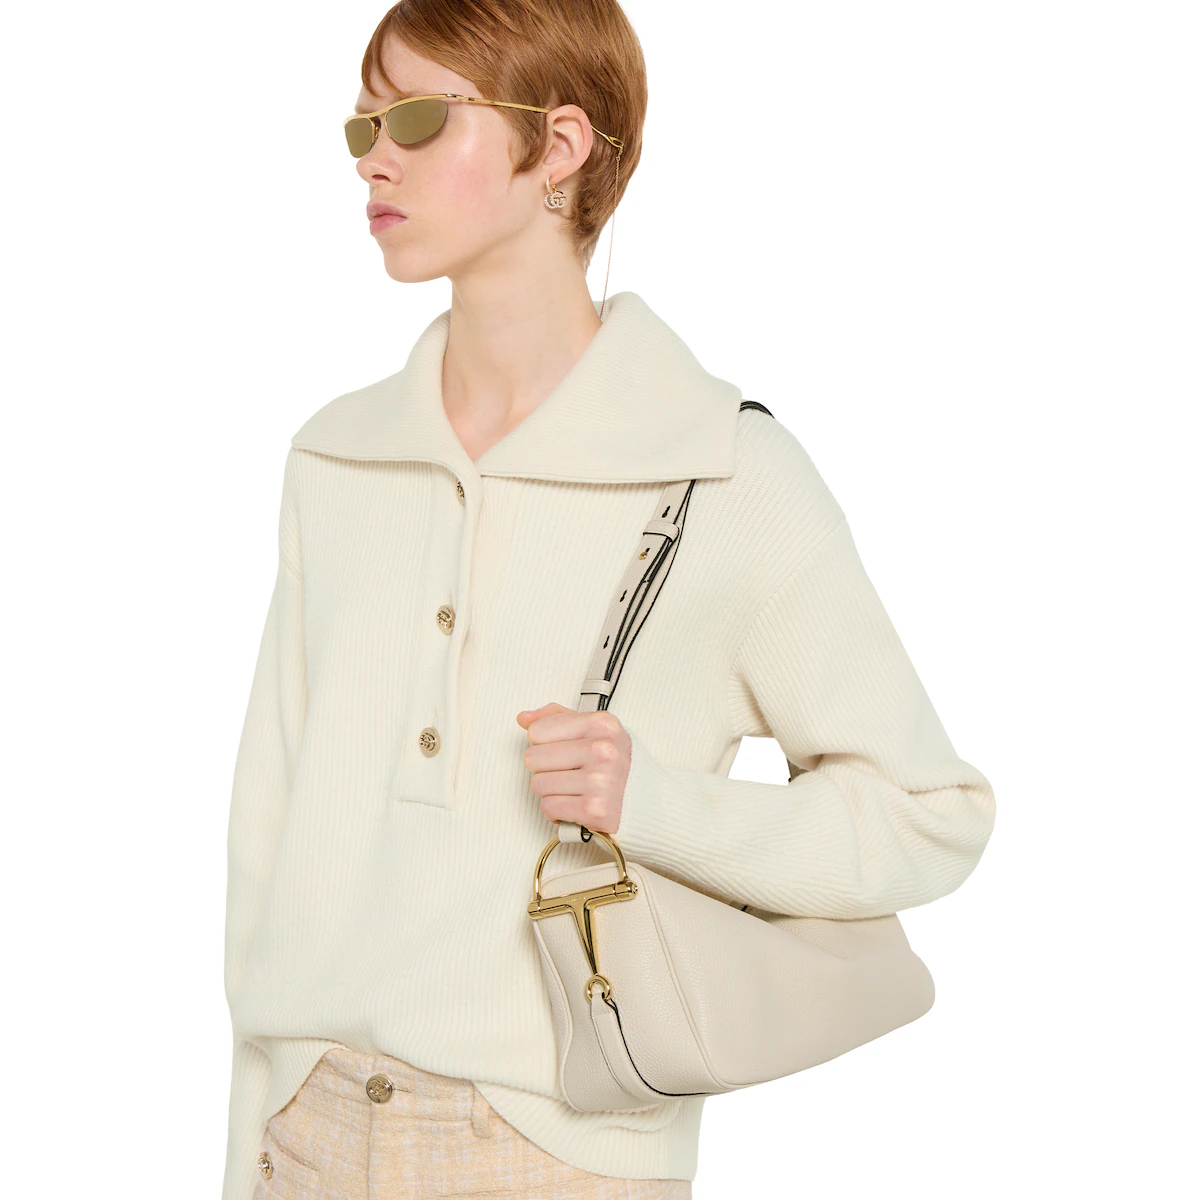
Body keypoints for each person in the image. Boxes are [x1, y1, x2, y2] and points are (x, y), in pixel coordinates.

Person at [222, 2, 997, 1197]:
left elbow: (929, 816)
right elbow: (265, 844)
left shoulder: (722, 471)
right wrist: (250, 1143)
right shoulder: (339, 458)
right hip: (308, 1130)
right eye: (363, 126)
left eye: (418, 119)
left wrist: (662, 806)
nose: (374, 158)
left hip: (556, 1156)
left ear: (561, 146)